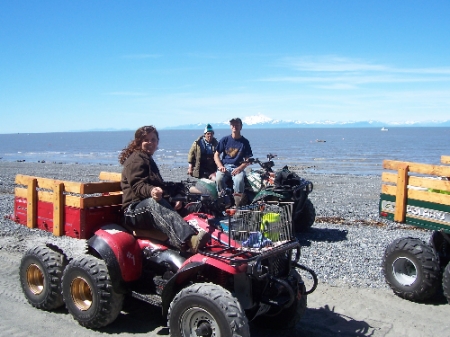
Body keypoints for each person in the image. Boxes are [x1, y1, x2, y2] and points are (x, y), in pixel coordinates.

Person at [119, 125, 210, 253]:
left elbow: (160, 186)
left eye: (153, 139)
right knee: (152, 203)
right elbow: (138, 186)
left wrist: (174, 199)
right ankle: (190, 240)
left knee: (191, 202)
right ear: (139, 142)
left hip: (148, 209)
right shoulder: (136, 159)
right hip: (133, 211)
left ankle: (209, 235)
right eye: (146, 140)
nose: (150, 143)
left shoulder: (147, 159)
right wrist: (152, 191)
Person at [214, 117, 253, 207]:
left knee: (239, 180)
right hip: (225, 166)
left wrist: (240, 168)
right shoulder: (225, 140)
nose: (235, 126)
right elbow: (216, 155)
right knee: (219, 178)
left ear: (241, 127)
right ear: (230, 127)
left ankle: (238, 204)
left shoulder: (245, 142)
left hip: (238, 167)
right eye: (233, 125)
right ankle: (223, 202)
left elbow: (247, 160)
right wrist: (220, 166)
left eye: (237, 124)